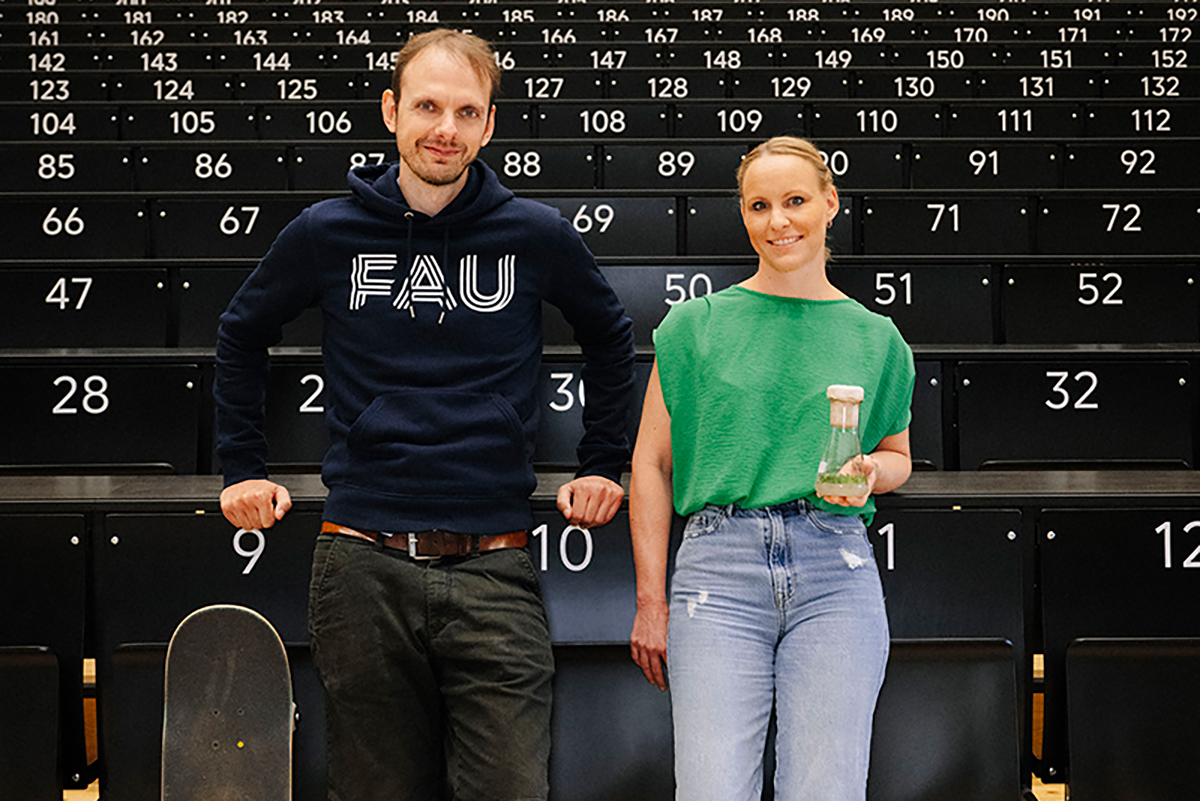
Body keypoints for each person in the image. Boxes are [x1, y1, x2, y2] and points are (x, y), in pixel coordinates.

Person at [214, 29, 636, 800]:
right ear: (391, 111)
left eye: (466, 111)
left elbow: (611, 335)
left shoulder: (534, 233)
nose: (445, 127)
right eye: (428, 106)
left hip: (495, 560)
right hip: (361, 560)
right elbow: (241, 331)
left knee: (510, 786)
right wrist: (242, 465)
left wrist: (603, 461)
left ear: (488, 125)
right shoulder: (326, 231)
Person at [628, 136, 914, 800]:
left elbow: (898, 456)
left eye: (794, 201)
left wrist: (872, 470)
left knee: (826, 789)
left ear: (829, 203)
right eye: (759, 205)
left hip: (835, 570)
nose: (777, 221)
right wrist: (650, 600)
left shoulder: (878, 338)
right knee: (710, 789)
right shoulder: (694, 326)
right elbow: (650, 463)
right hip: (716, 571)